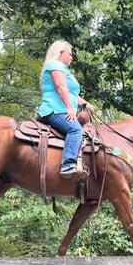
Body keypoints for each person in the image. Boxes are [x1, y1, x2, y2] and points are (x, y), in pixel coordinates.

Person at [37, 40, 89, 178]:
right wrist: (71, 109)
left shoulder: (65, 71)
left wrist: (85, 104)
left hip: (61, 109)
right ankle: (67, 165)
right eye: (70, 54)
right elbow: (61, 87)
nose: (72, 57)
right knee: (75, 129)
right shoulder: (55, 65)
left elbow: (72, 93)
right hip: (54, 110)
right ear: (60, 53)